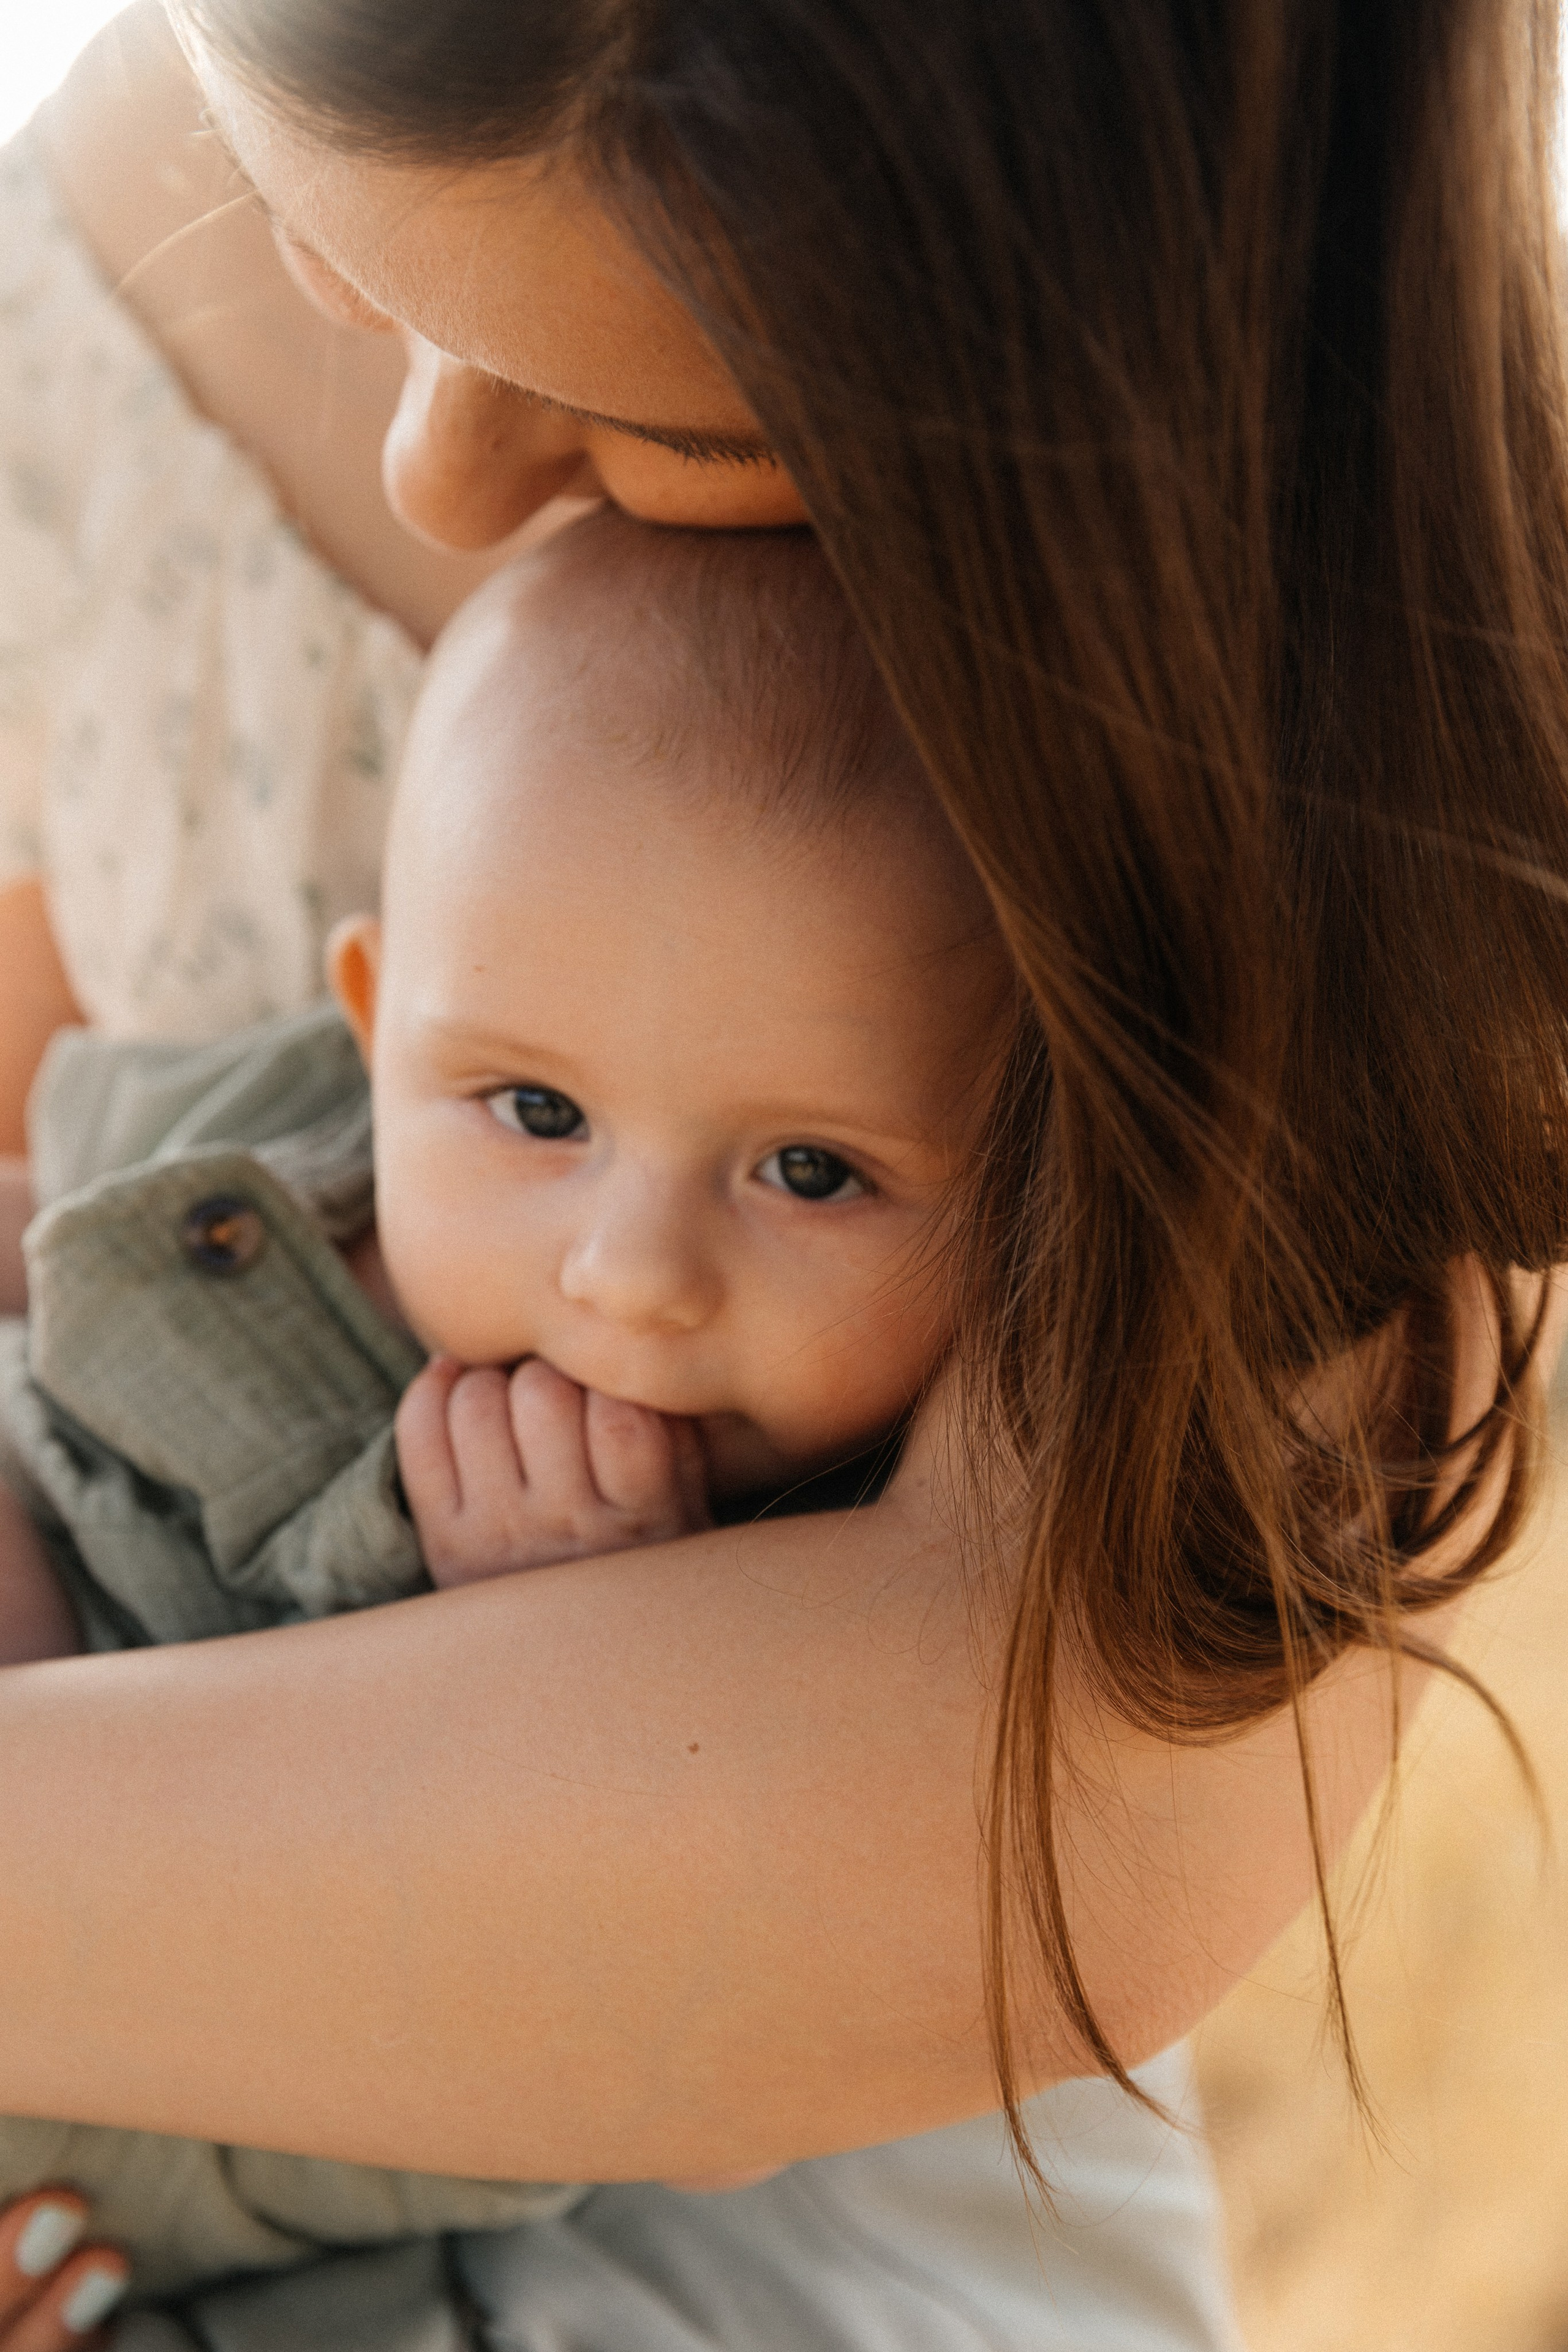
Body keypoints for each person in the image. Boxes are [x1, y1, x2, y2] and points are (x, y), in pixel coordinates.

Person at [1, 0, 1563, 2344]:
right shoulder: (112, 255)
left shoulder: (1279, 784)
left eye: (674, 422)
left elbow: (937, 1892)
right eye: (347, 262)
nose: (441, 471)